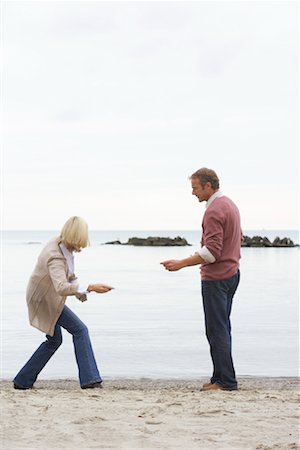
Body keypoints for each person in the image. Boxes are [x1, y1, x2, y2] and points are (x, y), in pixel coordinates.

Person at [161, 168, 242, 391]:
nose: (193, 193)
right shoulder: (230, 205)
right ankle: (220, 377)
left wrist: (181, 263)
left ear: (208, 186)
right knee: (222, 328)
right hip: (232, 273)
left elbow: (211, 252)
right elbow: (237, 238)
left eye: (195, 188)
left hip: (217, 278)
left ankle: (226, 381)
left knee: (216, 330)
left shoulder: (214, 211)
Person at [13, 216, 114, 390]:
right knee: (80, 330)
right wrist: (89, 287)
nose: (82, 244)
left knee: (54, 340)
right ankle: (90, 379)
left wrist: (81, 292)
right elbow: (60, 287)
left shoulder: (62, 246)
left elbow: (69, 277)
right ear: (76, 236)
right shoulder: (55, 256)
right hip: (44, 300)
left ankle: (23, 380)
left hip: (46, 296)